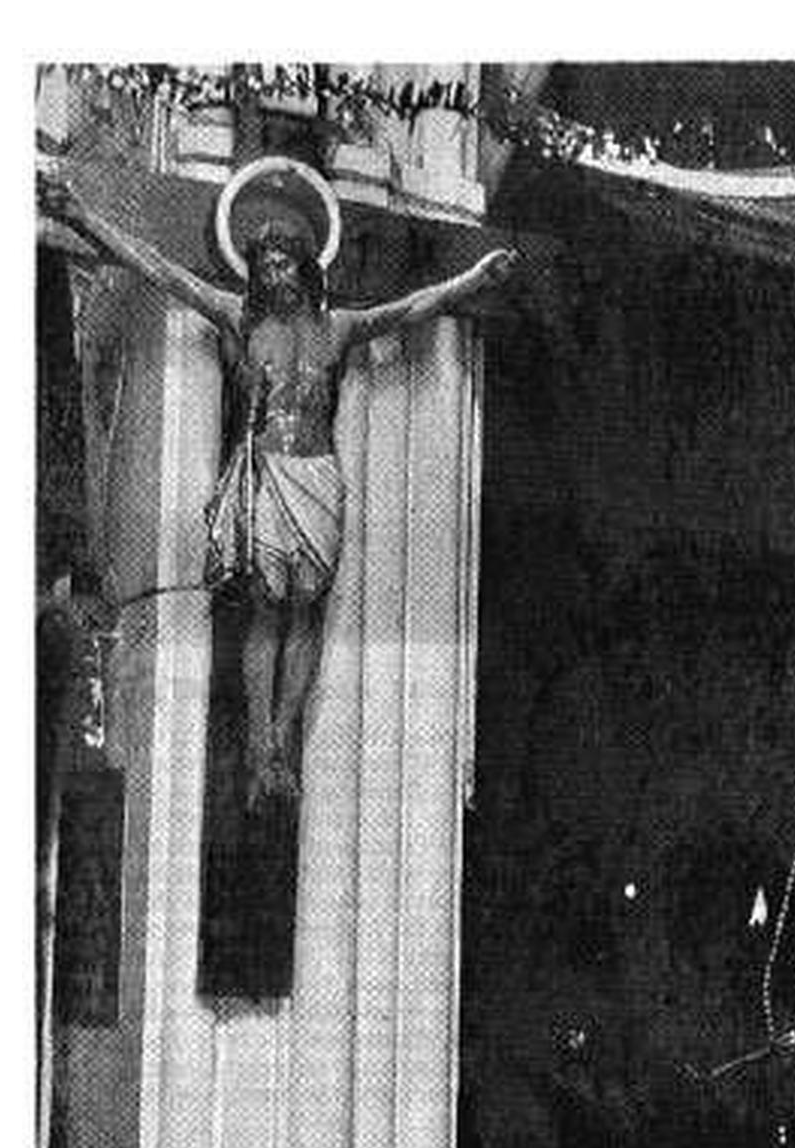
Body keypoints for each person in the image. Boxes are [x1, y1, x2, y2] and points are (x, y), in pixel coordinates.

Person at [39, 167, 517, 805]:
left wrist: (475, 278)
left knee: (308, 609)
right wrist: (80, 218)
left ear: (305, 268)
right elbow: (161, 270)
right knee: (269, 606)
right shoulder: (239, 319)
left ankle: (284, 737)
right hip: (267, 478)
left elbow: (410, 309)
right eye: (264, 264)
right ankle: (262, 743)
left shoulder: (338, 329)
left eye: (284, 263)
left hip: (318, 476)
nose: (273, 274)